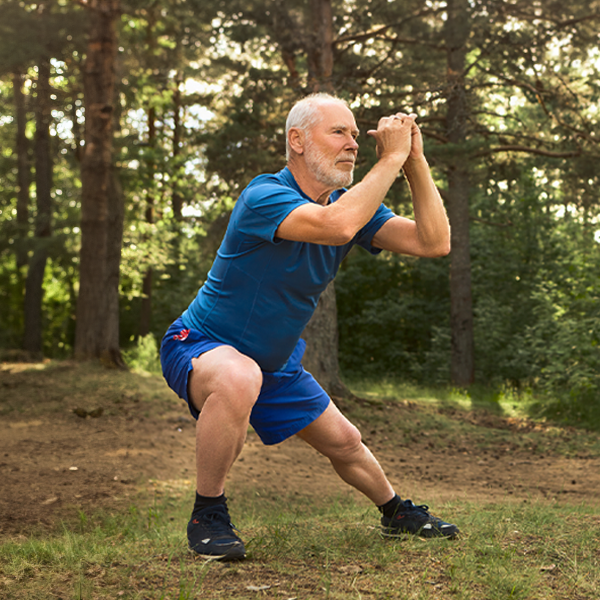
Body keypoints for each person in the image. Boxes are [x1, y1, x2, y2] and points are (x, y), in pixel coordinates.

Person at [160, 92, 458, 561]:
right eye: (339, 132)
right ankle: (208, 513)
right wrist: (393, 155)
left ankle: (396, 513)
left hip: (274, 364)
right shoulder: (265, 196)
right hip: (201, 344)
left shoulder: (350, 207)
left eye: (357, 134)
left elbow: (434, 241)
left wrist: (413, 162)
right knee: (240, 376)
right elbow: (336, 225)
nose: (354, 144)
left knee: (346, 442)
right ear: (297, 140)